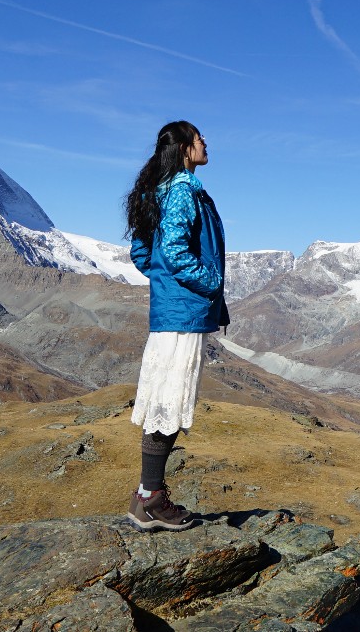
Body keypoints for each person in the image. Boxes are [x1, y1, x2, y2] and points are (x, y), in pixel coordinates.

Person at [123, 119, 226, 530]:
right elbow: (174, 250)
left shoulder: (157, 190)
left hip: (171, 310)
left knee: (162, 400)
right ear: (185, 148)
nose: (206, 143)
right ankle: (151, 499)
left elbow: (142, 253)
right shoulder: (183, 190)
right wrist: (210, 282)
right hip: (184, 313)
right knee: (170, 402)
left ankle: (147, 497)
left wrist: (165, 281)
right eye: (200, 138)